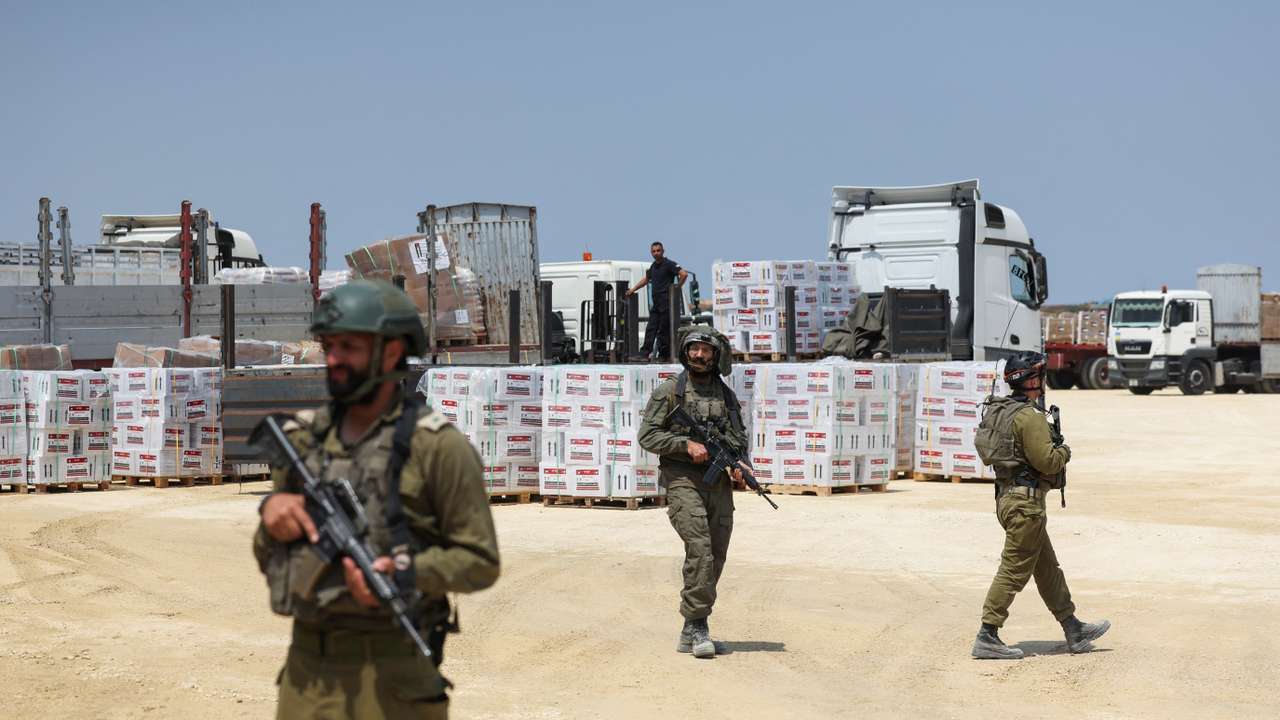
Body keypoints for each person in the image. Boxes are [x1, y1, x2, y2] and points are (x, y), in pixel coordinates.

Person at [252, 280, 500, 718]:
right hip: (309, 677)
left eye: (349, 346)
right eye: (329, 346)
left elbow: (480, 561)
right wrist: (270, 515)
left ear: (390, 351)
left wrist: (405, 573)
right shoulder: (303, 440)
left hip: (394, 680)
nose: (333, 359)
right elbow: (269, 553)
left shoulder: (438, 448)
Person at [971, 351, 1110, 660]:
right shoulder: (1029, 416)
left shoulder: (1000, 411)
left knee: (1047, 569)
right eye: (1040, 376)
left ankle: (1073, 626)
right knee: (1013, 570)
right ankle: (988, 634)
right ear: (1031, 380)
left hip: (1009, 501)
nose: (1043, 382)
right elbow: (1046, 461)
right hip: (1026, 507)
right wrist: (1064, 450)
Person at [638, 326, 746, 659]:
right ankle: (698, 624)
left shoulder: (726, 396)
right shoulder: (670, 392)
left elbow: (738, 439)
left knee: (716, 552)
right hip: (682, 478)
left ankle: (691, 627)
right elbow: (648, 436)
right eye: (693, 349)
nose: (698, 355)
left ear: (717, 355)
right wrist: (685, 445)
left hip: (718, 482)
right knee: (699, 546)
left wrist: (741, 465)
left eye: (706, 350)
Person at [626, 241, 688, 359]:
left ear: (663, 251)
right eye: (653, 251)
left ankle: (664, 355)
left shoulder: (669, 264)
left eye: (658, 251)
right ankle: (644, 354)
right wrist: (633, 289)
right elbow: (646, 279)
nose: (656, 253)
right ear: (651, 253)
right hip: (656, 304)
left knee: (663, 332)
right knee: (651, 329)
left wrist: (676, 288)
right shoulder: (653, 266)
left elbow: (684, 274)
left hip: (666, 303)